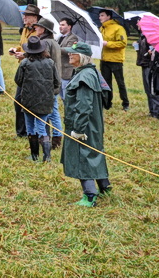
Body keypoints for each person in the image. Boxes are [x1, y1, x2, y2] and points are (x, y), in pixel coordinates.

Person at [62, 42, 111, 207]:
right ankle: (105, 186)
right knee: (94, 152)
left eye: (72, 53)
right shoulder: (90, 72)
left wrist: (78, 130)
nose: (69, 55)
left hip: (84, 125)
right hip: (92, 124)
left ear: (82, 57)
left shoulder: (84, 77)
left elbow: (84, 107)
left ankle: (89, 196)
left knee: (83, 156)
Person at [14, 36, 60, 162]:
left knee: (30, 126)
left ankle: (35, 156)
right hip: (46, 100)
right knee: (41, 126)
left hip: (28, 100)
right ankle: (47, 157)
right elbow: (57, 82)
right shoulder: (50, 63)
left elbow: (18, 80)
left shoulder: (25, 63)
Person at [8, 3, 42, 138]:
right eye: (24, 15)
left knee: (28, 102)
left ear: (35, 17)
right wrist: (16, 50)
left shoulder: (39, 31)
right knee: (18, 101)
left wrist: (25, 55)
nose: (24, 18)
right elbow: (23, 45)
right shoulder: (25, 30)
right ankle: (21, 132)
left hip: (34, 69)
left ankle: (32, 132)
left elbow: (40, 51)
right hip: (23, 67)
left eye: (27, 15)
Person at [32, 18, 63, 148]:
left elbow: (43, 62)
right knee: (54, 111)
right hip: (55, 82)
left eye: (38, 27)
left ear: (43, 29)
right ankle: (56, 138)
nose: (35, 29)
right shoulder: (54, 42)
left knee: (46, 113)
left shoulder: (44, 42)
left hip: (47, 83)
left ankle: (44, 138)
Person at [98, 9, 129, 111]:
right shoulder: (101, 29)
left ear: (108, 16)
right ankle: (107, 103)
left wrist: (108, 44)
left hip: (116, 60)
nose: (100, 17)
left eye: (102, 15)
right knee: (106, 83)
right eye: (99, 16)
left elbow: (123, 43)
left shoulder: (118, 28)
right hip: (104, 59)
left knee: (120, 82)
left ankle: (125, 103)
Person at [136, 34, 159, 120]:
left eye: (139, 21)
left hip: (150, 65)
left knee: (153, 89)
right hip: (144, 64)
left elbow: (155, 52)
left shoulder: (151, 36)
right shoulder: (143, 36)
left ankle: (158, 113)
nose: (137, 23)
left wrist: (150, 53)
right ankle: (152, 111)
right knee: (148, 90)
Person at [55, 18, 79, 99]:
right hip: (58, 71)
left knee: (67, 96)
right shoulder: (59, 37)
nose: (60, 27)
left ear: (69, 26)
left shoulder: (73, 38)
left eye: (63, 25)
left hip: (66, 71)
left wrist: (55, 47)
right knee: (61, 96)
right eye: (60, 24)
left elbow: (69, 50)